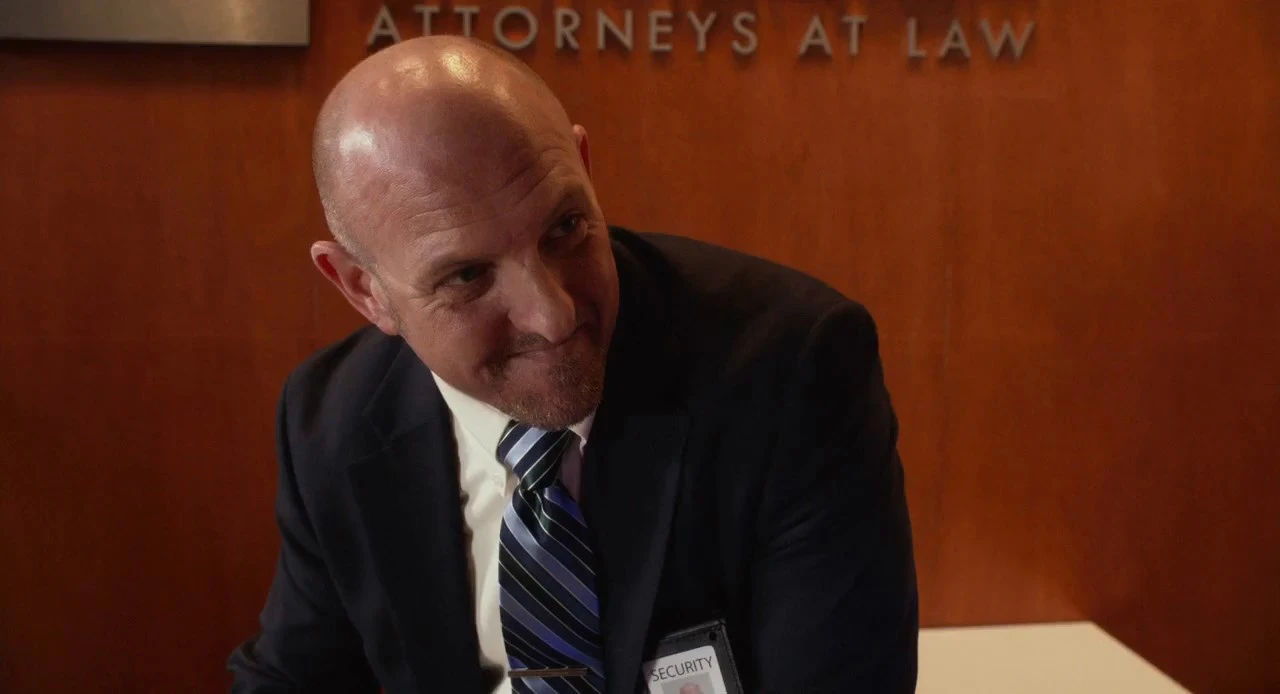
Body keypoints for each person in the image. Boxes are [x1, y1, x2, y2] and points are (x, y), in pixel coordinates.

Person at [229, 35, 917, 694]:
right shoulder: (333, 421)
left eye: (564, 228)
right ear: (363, 289)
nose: (552, 315)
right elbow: (292, 676)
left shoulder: (790, 369)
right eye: (467, 276)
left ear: (583, 167)